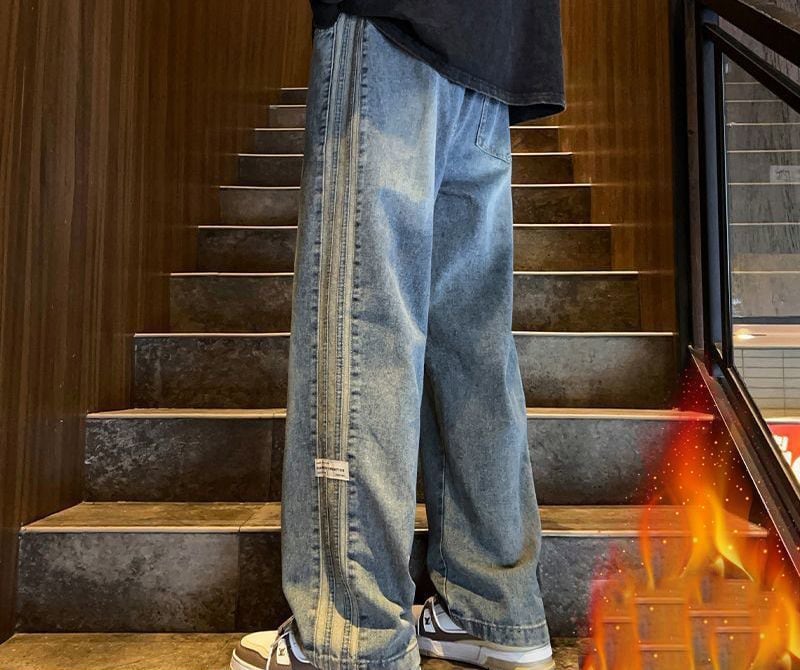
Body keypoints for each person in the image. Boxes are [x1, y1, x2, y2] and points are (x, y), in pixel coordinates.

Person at [231, 2, 565, 669]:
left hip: (394, 21)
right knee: (471, 344)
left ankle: (350, 631)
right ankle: (494, 608)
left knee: (365, 322)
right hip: (499, 41)